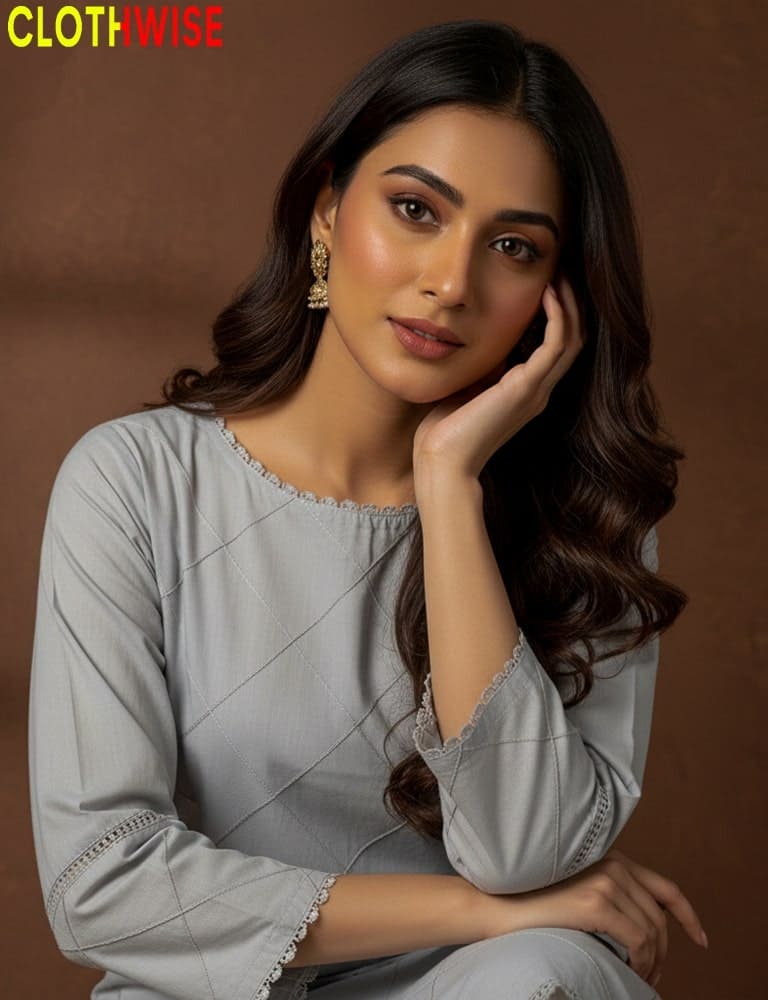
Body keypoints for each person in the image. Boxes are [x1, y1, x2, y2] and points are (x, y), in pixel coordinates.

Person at [28, 18, 708, 1000]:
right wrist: (482, 909)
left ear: (555, 298)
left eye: (511, 245)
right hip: (215, 991)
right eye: (416, 210)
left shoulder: (591, 524)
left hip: (485, 987)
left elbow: (528, 851)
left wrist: (449, 487)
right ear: (324, 212)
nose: (450, 282)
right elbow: (103, 885)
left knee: (554, 971)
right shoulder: (137, 482)